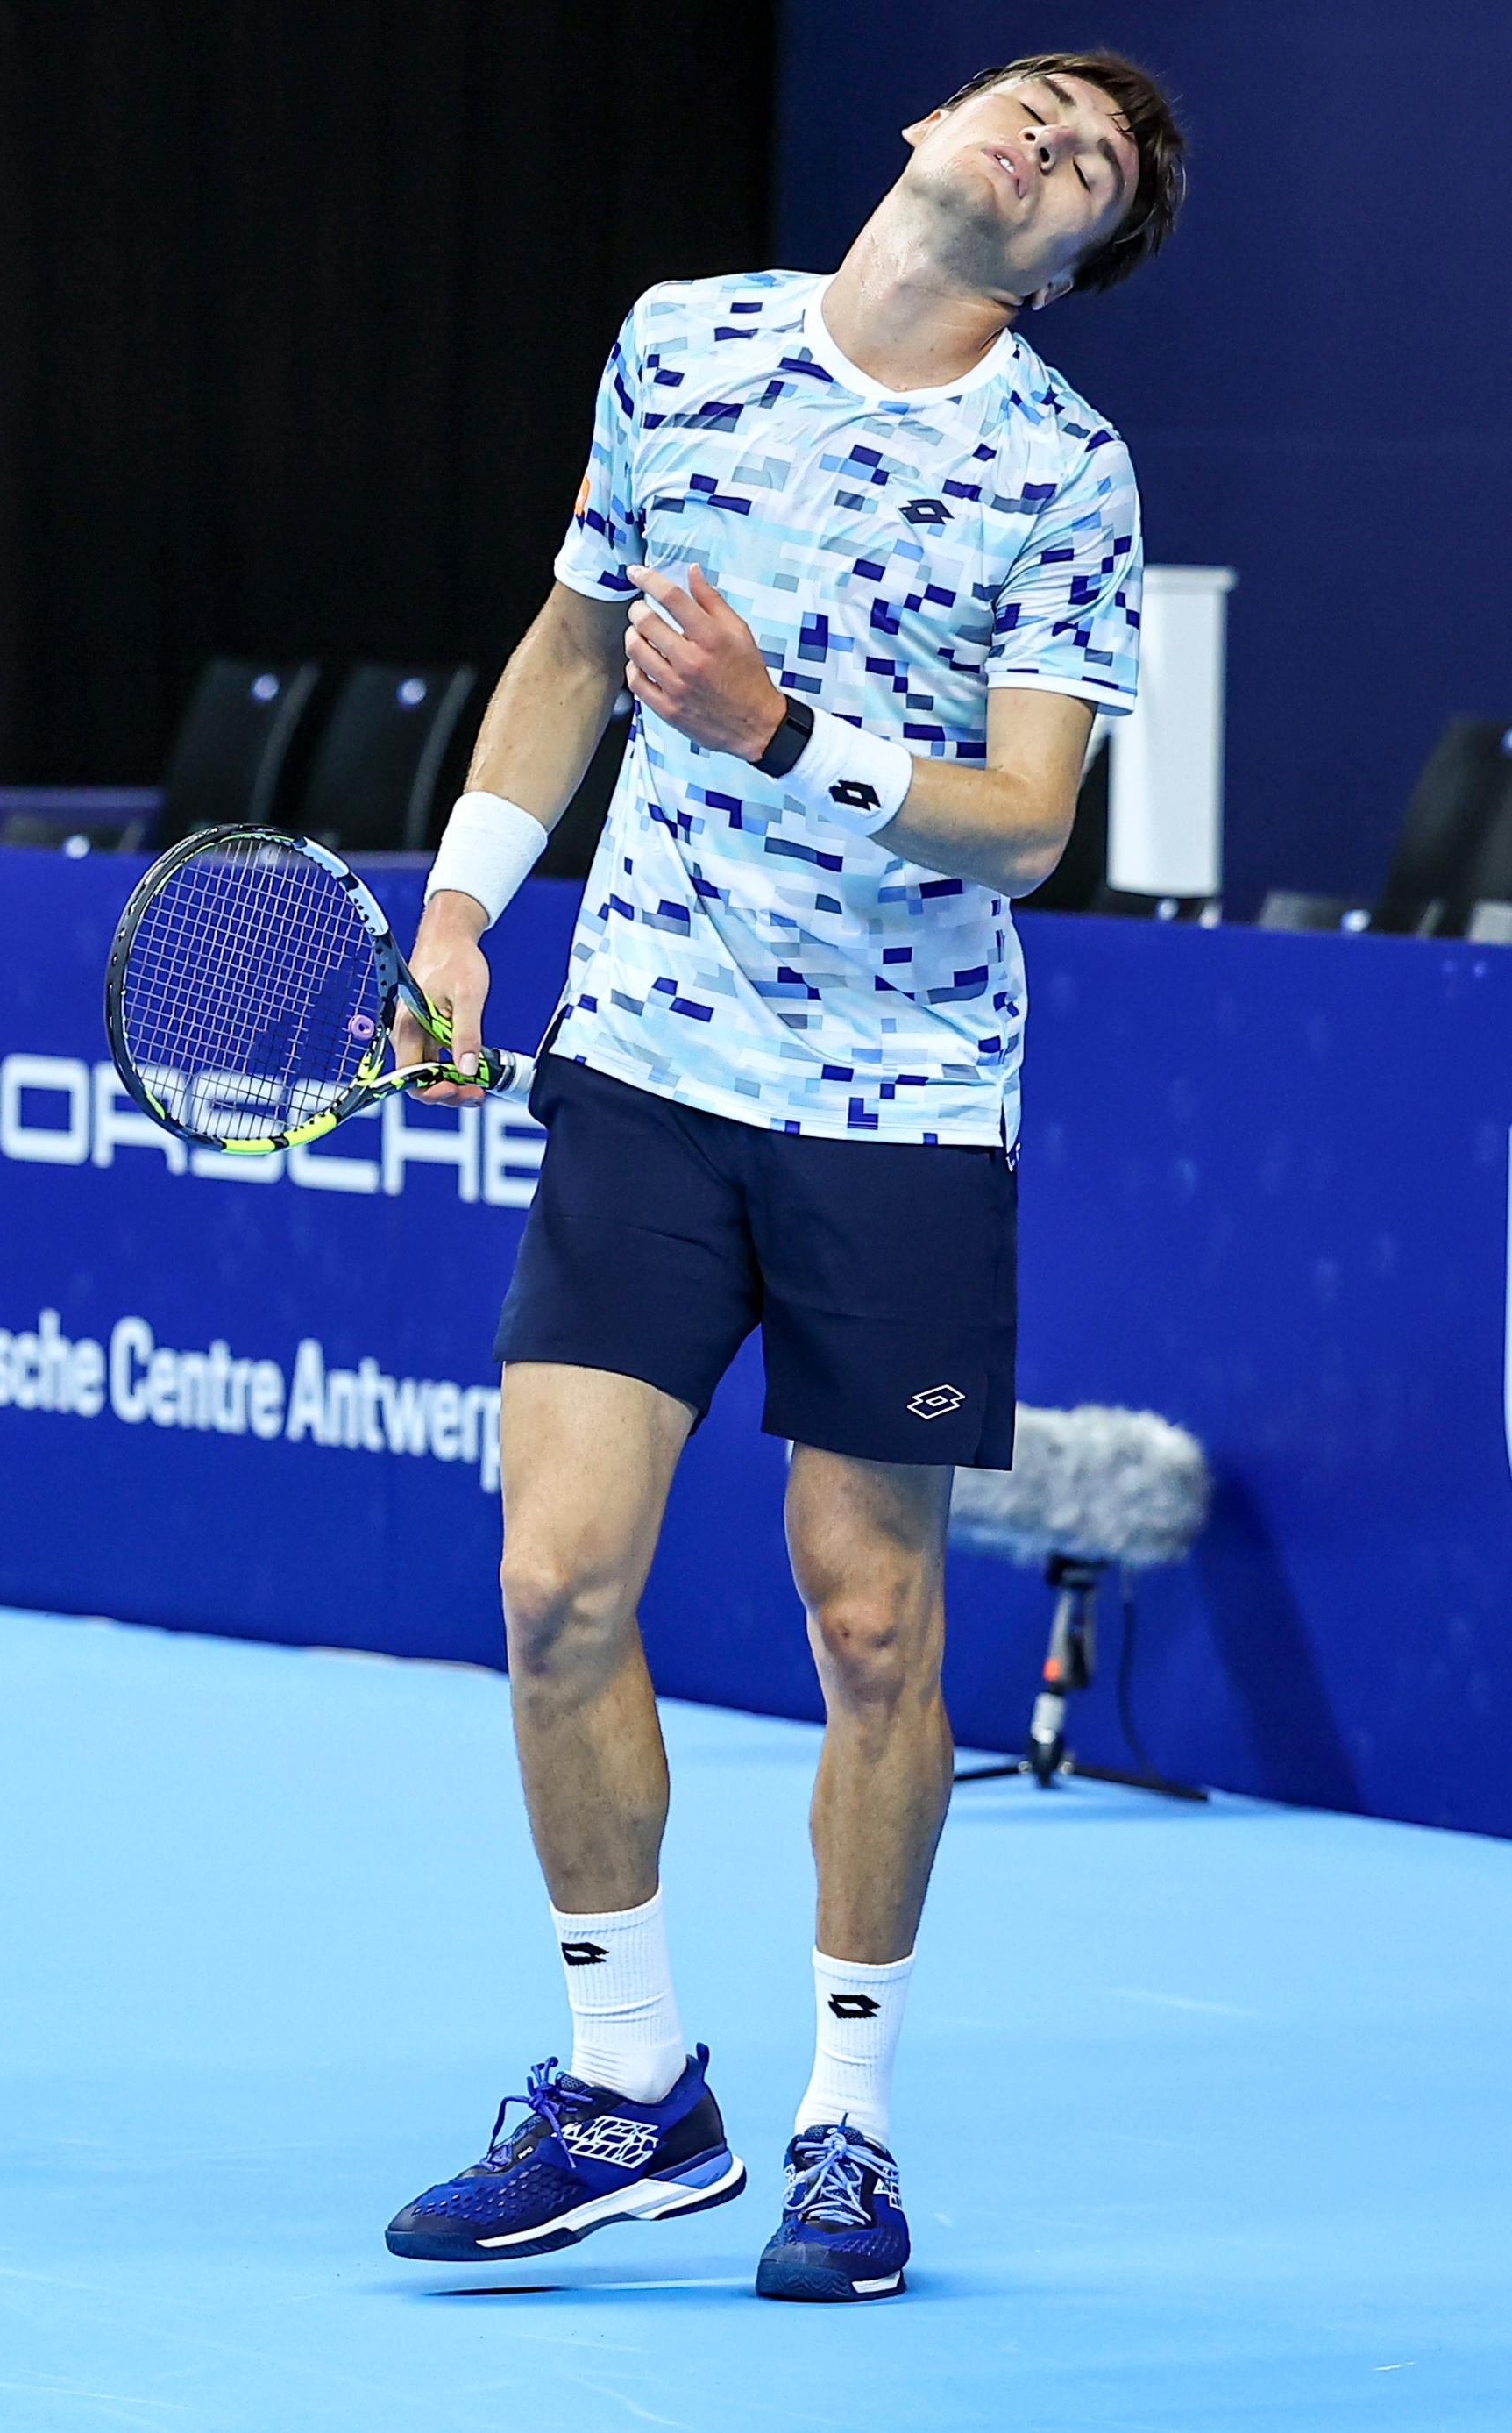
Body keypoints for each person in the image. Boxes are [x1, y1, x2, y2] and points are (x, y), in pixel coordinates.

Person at [385, 48, 1185, 2302]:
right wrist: (460, 910)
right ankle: (626, 2083)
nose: (1043, 143)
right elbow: (569, 645)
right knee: (555, 1583)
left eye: (1088, 166)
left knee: (870, 1618)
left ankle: (848, 2120)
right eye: (1033, 105)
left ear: (1063, 266)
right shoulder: (680, 340)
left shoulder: (1061, 470)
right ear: (933, 121)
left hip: (901, 1098)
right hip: (647, 1048)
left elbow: (1027, 824)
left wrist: (776, 733)